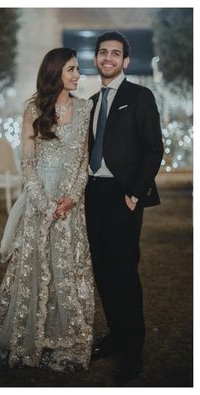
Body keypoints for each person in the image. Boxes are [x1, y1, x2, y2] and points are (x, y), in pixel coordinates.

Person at [0, 48, 94, 372]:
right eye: (71, 69)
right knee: (36, 268)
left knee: (67, 271)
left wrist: (71, 198)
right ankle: (30, 339)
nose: (77, 74)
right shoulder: (32, 109)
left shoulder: (85, 109)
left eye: (77, 69)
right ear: (55, 72)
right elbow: (27, 165)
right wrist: (44, 204)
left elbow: (84, 162)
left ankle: (65, 340)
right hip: (39, 204)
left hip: (71, 207)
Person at [85, 31, 164, 381]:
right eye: (103, 52)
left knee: (125, 272)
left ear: (125, 61)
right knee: (102, 269)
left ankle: (133, 348)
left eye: (115, 53)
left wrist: (134, 192)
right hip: (93, 194)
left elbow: (153, 149)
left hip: (123, 195)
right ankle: (116, 335)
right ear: (97, 58)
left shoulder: (140, 96)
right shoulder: (89, 102)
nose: (108, 58)